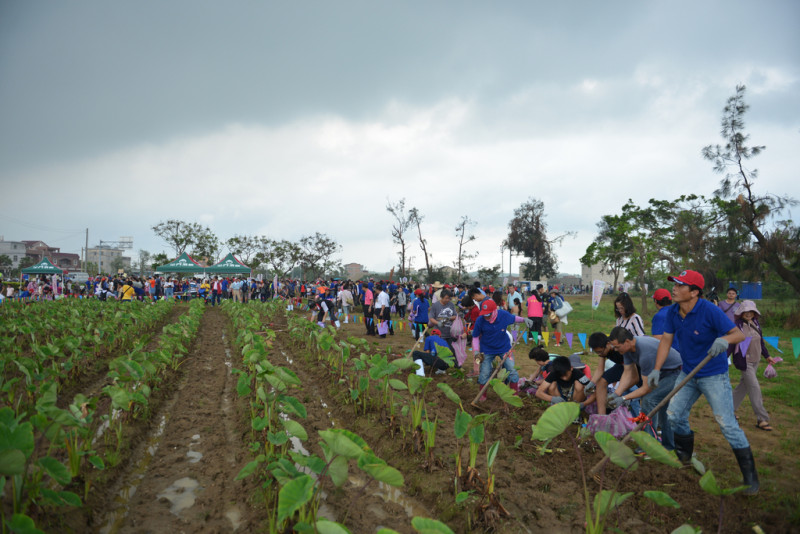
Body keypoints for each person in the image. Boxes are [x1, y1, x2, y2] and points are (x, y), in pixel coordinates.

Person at [651, 270, 757, 494]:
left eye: (680, 285)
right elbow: (666, 342)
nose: (675, 288)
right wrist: (656, 369)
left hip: (713, 375)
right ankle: (684, 458)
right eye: (675, 284)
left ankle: (750, 479)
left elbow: (738, 335)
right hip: (688, 373)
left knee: (726, 423)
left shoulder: (709, 310)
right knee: (674, 415)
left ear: (694, 292)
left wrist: (723, 339)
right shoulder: (672, 312)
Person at [607, 327, 682, 450]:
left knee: (649, 400)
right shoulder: (627, 350)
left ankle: (649, 445)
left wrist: (624, 398)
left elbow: (646, 388)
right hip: (661, 373)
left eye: (616, 347)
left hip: (674, 373)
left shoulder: (645, 353)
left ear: (626, 342)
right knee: (664, 409)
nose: (615, 350)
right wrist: (616, 394)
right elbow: (627, 373)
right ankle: (669, 446)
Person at [472, 299, 532, 400]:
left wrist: (524, 319)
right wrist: (477, 351)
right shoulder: (480, 320)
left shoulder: (503, 315)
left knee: (511, 370)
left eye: (488, 314)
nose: (486, 316)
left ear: (494, 311)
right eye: (484, 314)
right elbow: (475, 337)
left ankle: (514, 395)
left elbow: (514, 318)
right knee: (485, 372)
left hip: (504, 348)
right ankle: (482, 396)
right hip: (486, 349)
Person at [729, 300, 775, 432]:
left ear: (755, 313)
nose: (748, 314)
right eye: (746, 311)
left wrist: (767, 356)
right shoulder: (737, 325)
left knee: (743, 386)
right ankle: (762, 418)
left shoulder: (756, 323)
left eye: (751, 311)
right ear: (741, 312)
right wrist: (724, 357)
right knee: (754, 388)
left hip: (756, 360)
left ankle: (728, 410)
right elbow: (731, 343)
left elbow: (760, 341)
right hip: (744, 362)